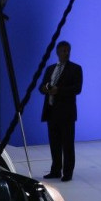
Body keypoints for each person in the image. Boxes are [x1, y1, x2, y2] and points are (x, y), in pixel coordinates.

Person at [39, 40, 83, 182]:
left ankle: (68, 172)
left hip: (66, 112)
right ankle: (56, 170)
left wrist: (59, 90)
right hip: (51, 111)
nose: (66, 53)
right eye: (63, 50)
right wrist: (45, 89)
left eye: (68, 50)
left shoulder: (76, 69)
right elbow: (41, 86)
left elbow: (77, 89)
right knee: (54, 143)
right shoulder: (50, 69)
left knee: (67, 144)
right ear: (57, 52)